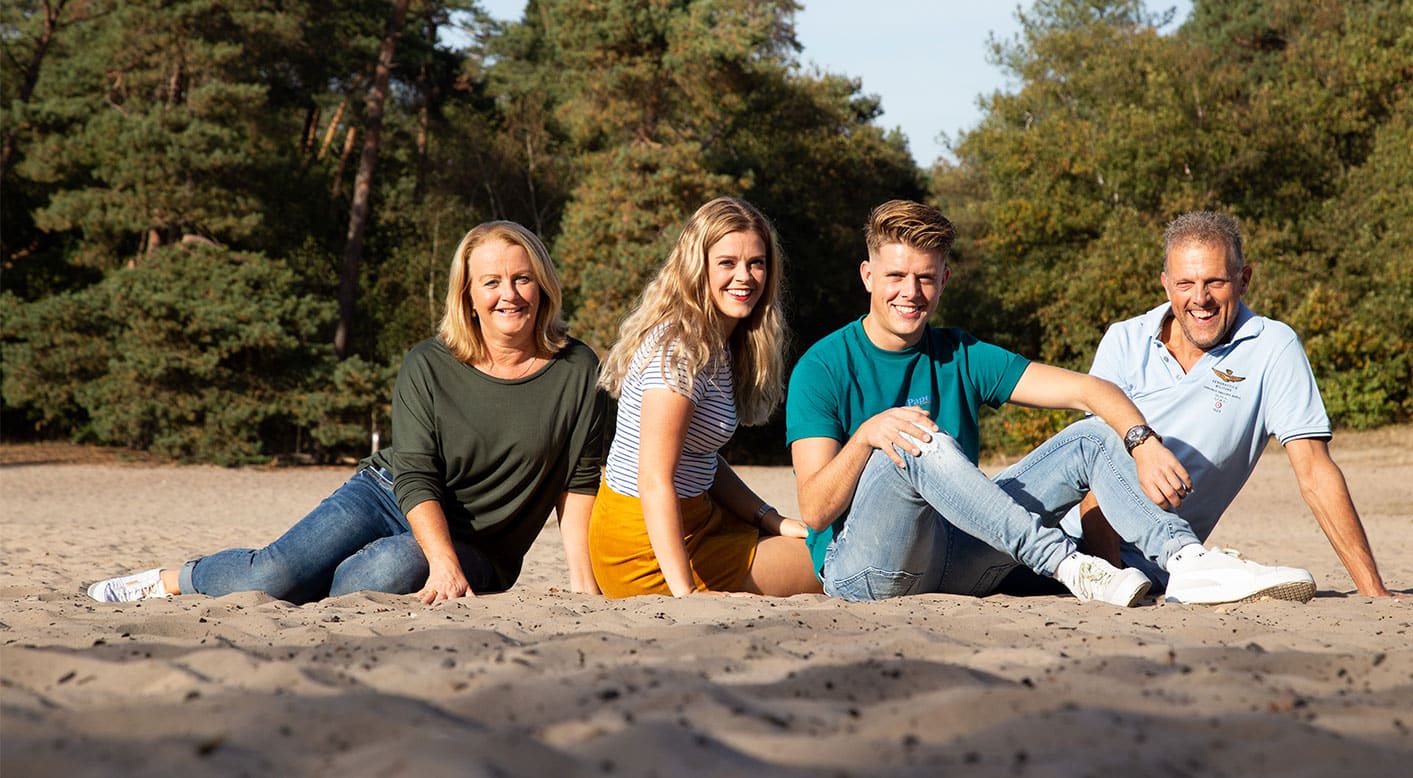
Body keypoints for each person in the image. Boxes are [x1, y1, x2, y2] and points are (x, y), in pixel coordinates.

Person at [786, 199, 1317, 607]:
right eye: (897, 277)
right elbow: (815, 510)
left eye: (926, 277)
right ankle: (1068, 565)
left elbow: (1091, 391)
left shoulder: (961, 353)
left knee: (1093, 432)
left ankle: (1188, 560)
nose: (911, 292)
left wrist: (1142, 443)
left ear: (944, 279)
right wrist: (866, 436)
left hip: (960, 567)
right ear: (868, 276)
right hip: (868, 572)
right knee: (913, 437)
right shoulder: (823, 365)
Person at [88, 221, 609, 604]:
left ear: (542, 286)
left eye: (522, 278)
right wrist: (442, 563)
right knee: (273, 577)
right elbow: (416, 474)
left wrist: (582, 581)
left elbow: (578, 479)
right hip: (388, 494)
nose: (508, 294)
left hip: (483, 543)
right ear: (468, 296)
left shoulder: (579, 369)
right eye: (490, 281)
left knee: (392, 566)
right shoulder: (428, 363)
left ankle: (310, 594)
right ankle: (172, 579)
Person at [1066, 210, 1397, 596]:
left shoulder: (1273, 347)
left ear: (1244, 280)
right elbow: (1093, 471)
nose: (1200, 299)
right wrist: (1113, 579)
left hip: (1159, 563)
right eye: (1185, 283)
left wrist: (1374, 591)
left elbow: (1315, 472)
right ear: (1165, 285)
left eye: (1216, 282)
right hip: (1068, 542)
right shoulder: (1124, 340)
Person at [588, 196, 820, 598]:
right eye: (727, 263)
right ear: (699, 267)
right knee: (830, 565)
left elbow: (702, 460)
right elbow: (654, 479)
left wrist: (770, 518)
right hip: (642, 543)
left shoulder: (720, 343)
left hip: (697, 518)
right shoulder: (677, 352)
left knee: (817, 543)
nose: (745, 276)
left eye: (756, 263)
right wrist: (686, 594)